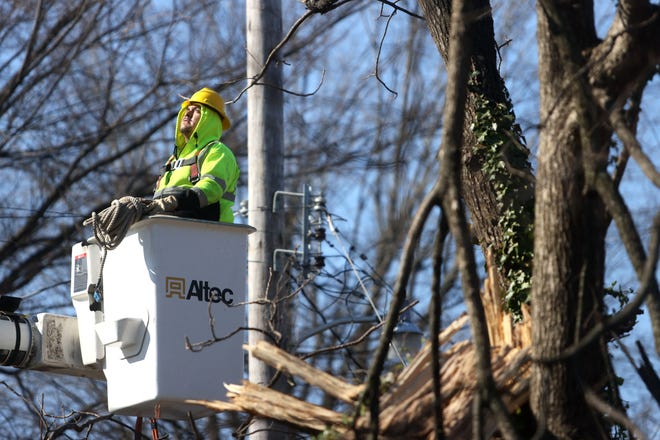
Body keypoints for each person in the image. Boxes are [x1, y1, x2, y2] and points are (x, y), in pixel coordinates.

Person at [152, 87, 239, 223]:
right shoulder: (173, 160)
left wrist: (177, 201)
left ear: (209, 119)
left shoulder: (217, 151)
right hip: (168, 229)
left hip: (209, 232)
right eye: (187, 110)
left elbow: (211, 188)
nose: (188, 114)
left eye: (197, 111)